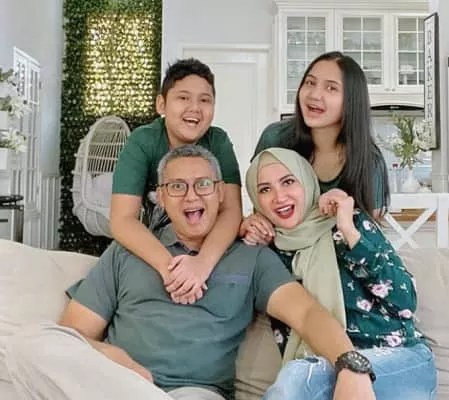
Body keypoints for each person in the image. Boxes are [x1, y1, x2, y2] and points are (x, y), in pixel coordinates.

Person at [5, 145, 376, 400]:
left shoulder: (251, 257)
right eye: (177, 186)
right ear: (161, 197)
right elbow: (72, 335)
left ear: (220, 193)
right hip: (117, 384)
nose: (191, 196)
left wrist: (351, 365)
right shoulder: (127, 252)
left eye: (203, 185)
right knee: (28, 342)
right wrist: (120, 362)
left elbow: (308, 313)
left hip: (196, 394)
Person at [244, 147, 437, 400]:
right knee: (302, 375)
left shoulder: (348, 222)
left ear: (306, 181)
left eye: (288, 182)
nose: (279, 197)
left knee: (299, 377)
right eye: (264, 189)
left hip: (400, 360)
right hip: (330, 366)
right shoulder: (269, 250)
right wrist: (242, 227)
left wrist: (349, 233)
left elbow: (405, 302)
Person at [111, 58, 242, 305]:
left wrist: (202, 264)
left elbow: (232, 210)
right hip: (157, 243)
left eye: (205, 100)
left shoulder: (218, 141)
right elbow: (122, 219)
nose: (195, 108)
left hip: (204, 242)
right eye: (183, 98)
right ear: (161, 104)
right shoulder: (143, 141)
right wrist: (172, 270)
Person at [241, 51, 390, 245]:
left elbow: (369, 238)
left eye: (331, 88)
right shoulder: (275, 137)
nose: (314, 95)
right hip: (278, 250)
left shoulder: (369, 162)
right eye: (310, 83)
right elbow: (261, 207)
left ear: (352, 100)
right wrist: (254, 225)